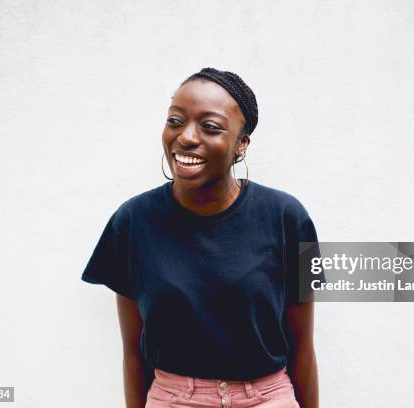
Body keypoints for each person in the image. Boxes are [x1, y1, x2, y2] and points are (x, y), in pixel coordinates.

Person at [82, 68, 323, 408]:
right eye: (176, 121)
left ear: (242, 144)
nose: (186, 137)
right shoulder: (133, 222)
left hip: (267, 399)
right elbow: (134, 355)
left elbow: (303, 349)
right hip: (173, 399)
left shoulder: (287, 218)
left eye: (209, 127)